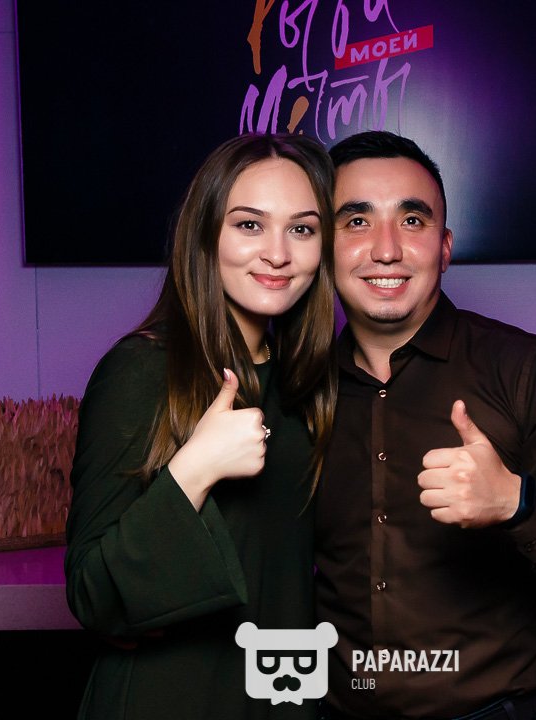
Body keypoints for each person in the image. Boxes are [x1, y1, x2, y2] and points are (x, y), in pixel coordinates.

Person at [314, 131, 536, 720]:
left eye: (412, 221)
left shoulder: (526, 369)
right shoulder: (297, 392)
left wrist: (517, 504)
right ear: (322, 247)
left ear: (445, 247)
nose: (386, 249)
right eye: (356, 221)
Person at [65, 133, 337, 719]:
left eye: (302, 229)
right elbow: (93, 596)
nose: (277, 254)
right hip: (171, 699)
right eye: (249, 225)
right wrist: (195, 469)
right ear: (205, 234)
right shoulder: (142, 369)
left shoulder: (307, 384)